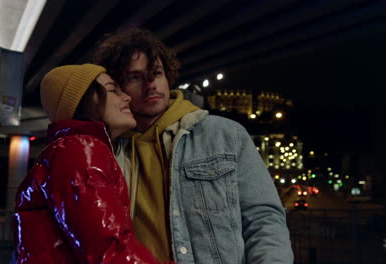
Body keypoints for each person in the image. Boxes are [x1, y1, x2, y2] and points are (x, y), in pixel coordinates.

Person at [92, 28, 294, 263]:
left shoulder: (225, 135)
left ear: (167, 76)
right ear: (118, 89)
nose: (150, 85)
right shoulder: (108, 151)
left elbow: (264, 219)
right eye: (135, 77)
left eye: (155, 73)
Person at [12, 64, 175, 264]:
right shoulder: (80, 149)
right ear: (85, 101)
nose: (127, 97)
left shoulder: (69, 150)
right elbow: (110, 251)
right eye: (113, 90)